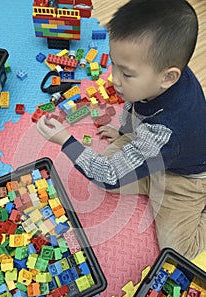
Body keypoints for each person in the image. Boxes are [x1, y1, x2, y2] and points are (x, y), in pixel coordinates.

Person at [37, 0, 206, 260]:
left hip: (186, 179)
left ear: (168, 77)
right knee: (108, 165)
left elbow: (109, 176)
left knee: (176, 252)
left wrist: (65, 141)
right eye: (114, 64)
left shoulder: (166, 129)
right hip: (155, 151)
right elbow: (134, 107)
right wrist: (124, 133)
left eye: (126, 74)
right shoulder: (155, 81)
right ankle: (143, 166)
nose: (114, 79)